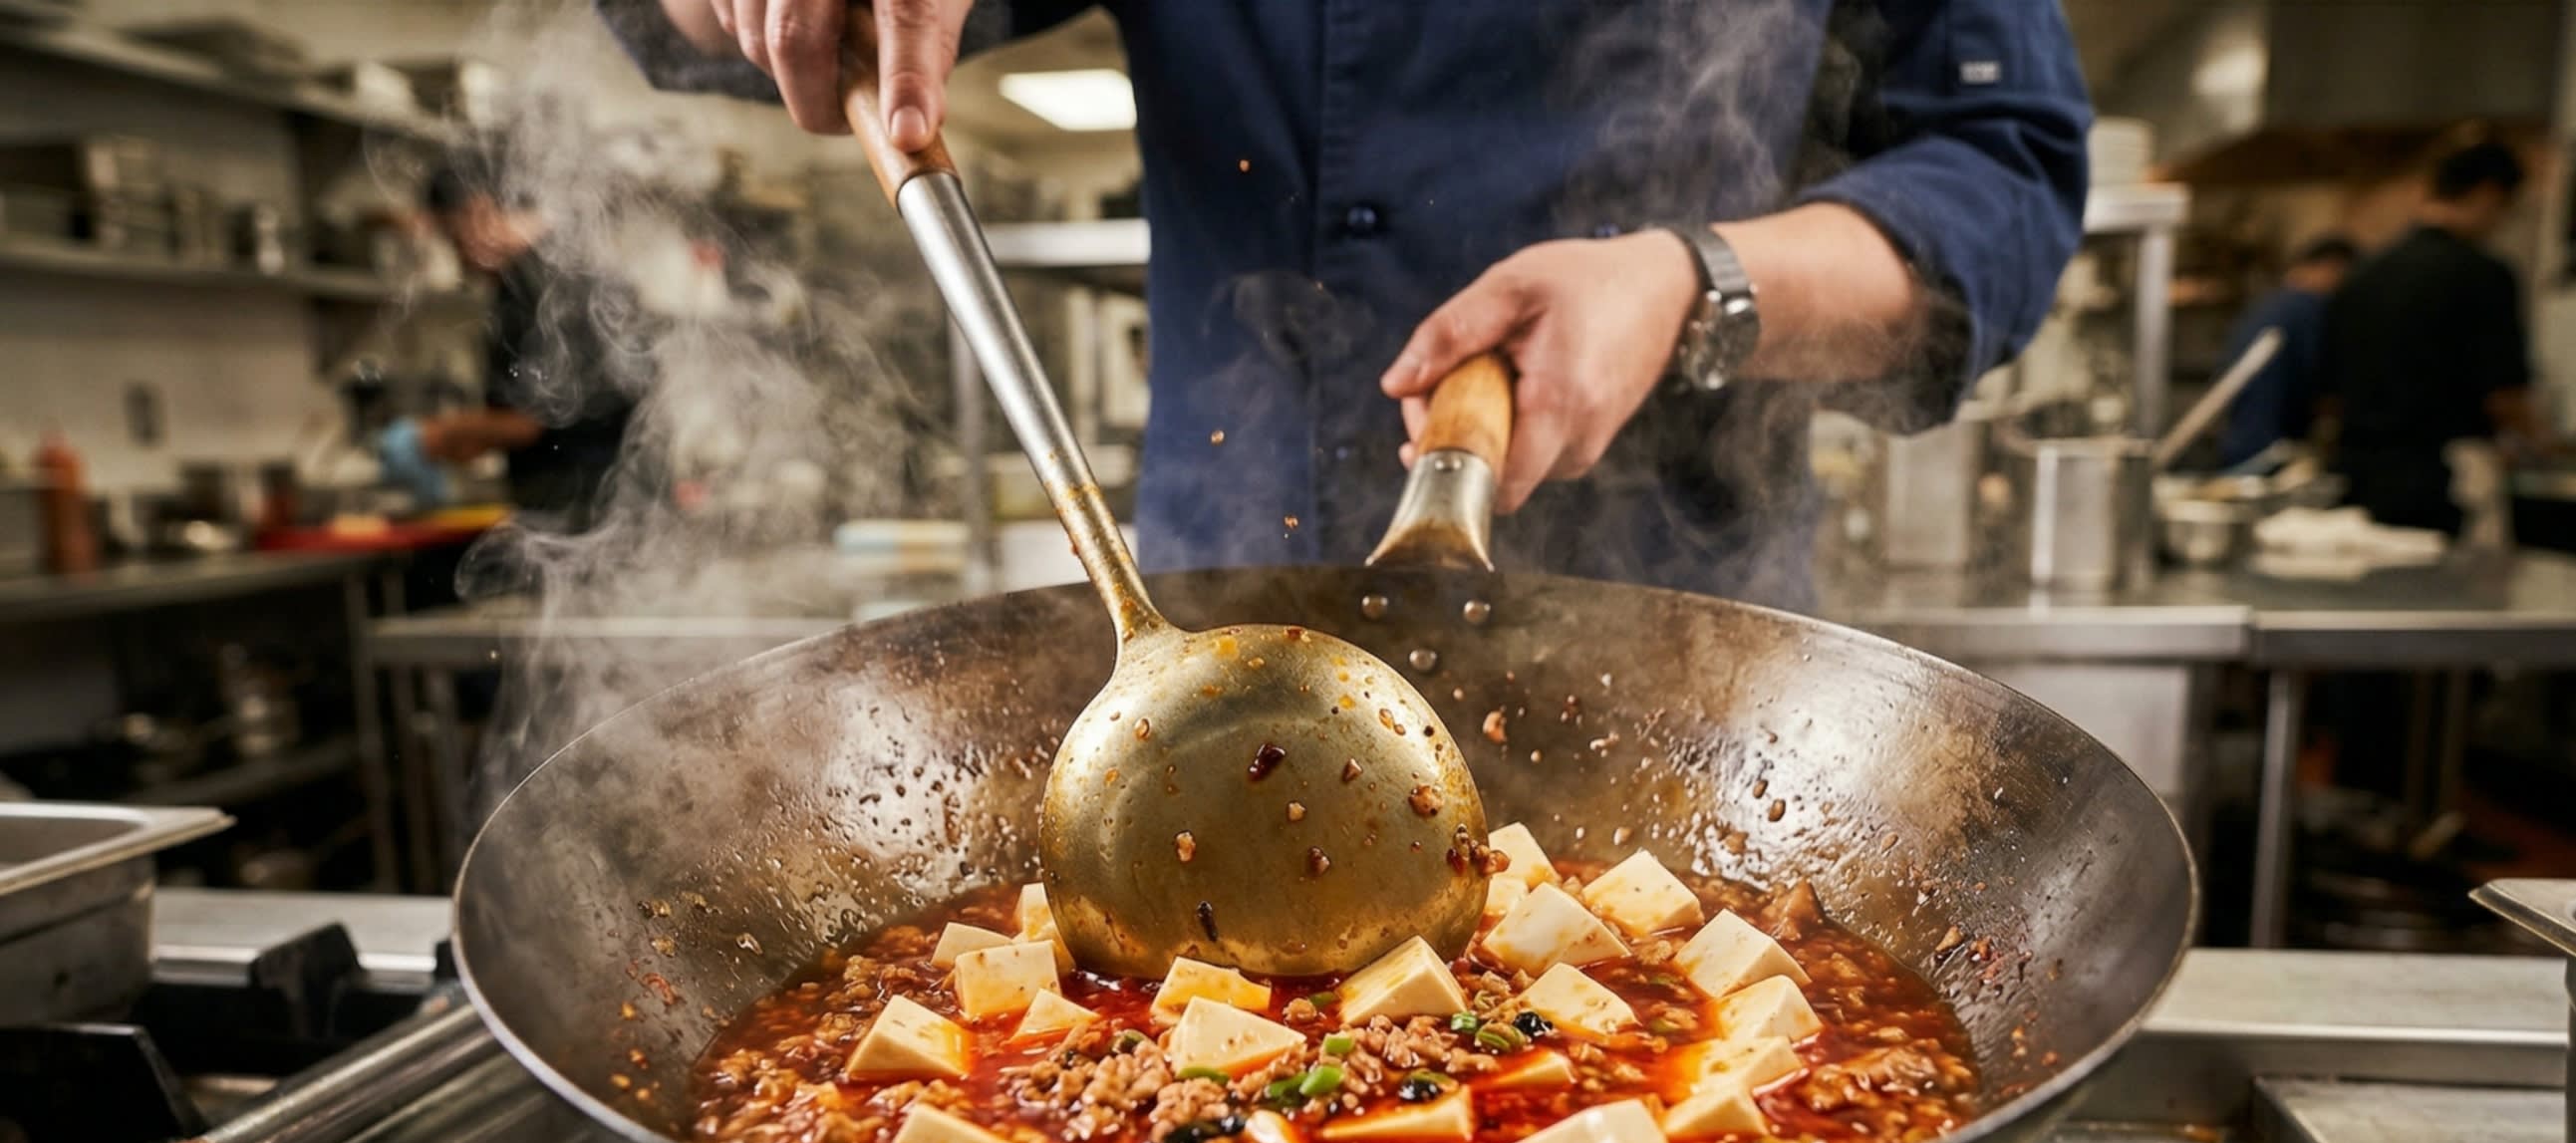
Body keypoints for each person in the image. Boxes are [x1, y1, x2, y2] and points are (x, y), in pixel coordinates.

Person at [600, 0, 2089, 606]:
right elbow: (713, 29)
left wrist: (1685, 281)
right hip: (1218, 611)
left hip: (1677, 644)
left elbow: (2005, 179)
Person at [401, 163, 645, 530]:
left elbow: (527, 423)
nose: (456, 255)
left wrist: (436, 434)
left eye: (452, 236)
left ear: (478, 211)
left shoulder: (527, 291)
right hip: (622, 494)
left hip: (573, 501)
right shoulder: (571, 267)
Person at [2322, 142, 2545, 534]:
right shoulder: (2483, 275)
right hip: (2441, 483)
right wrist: (2542, 441)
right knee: (2452, 592)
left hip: (2356, 475)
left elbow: (2329, 394)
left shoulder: (2362, 275)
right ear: (2488, 195)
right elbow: (2504, 394)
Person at [2215, 234, 2357, 469]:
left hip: (2243, 434)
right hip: (2272, 439)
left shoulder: (2271, 304)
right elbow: (2319, 378)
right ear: (2331, 267)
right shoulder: (2305, 307)